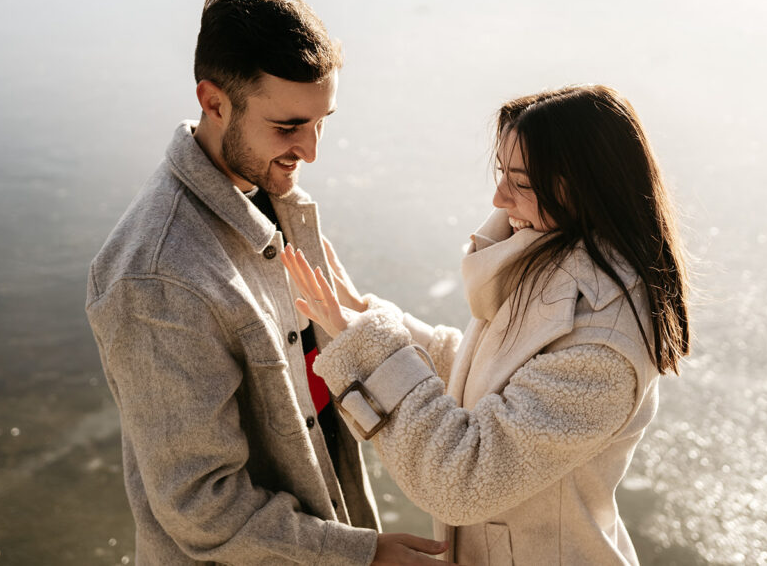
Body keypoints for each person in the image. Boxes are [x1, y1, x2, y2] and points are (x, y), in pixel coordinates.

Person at [85, 0, 447, 565]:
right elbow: (201, 505)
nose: (310, 152)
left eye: (321, 123)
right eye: (287, 127)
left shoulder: (274, 195)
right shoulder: (156, 278)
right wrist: (364, 556)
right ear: (214, 101)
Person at [282, 84, 692, 564]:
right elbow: (491, 379)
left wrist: (371, 348)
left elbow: (462, 480)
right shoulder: (554, 261)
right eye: (502, 173)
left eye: (520, 181)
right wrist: (370, 319)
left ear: (583, 186)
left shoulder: (604, 346)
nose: (499, 197)